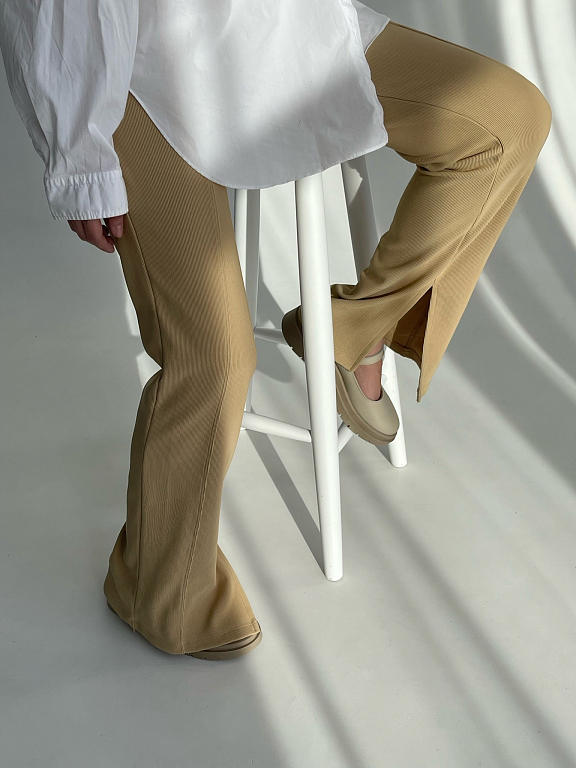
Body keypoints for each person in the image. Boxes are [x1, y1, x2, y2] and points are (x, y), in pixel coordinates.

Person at [0, 1, 552, 660]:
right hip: (136, 66)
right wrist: (83, 160)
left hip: (280, 24)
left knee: (507, 120)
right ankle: (157, 588)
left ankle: (351, 329)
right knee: (214, 357)